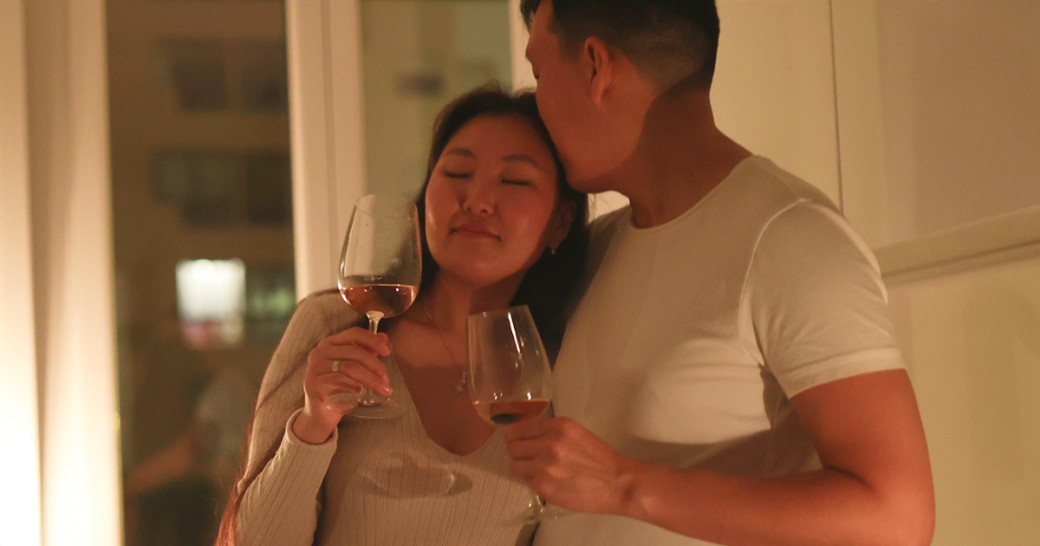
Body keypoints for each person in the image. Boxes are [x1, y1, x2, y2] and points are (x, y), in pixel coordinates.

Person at [504, 1, 936, 545]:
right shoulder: (600, 245)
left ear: (596, 66)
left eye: (540, 73)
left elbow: (896, 518)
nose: (537, 103)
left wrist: (625, 484)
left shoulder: (788, 238)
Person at [216, 84, 588, 545]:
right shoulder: (332, 326)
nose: (477, 200)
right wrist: (312, 426)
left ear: (561, 221)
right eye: (457, 172)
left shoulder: (562, 361)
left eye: (513, 181)